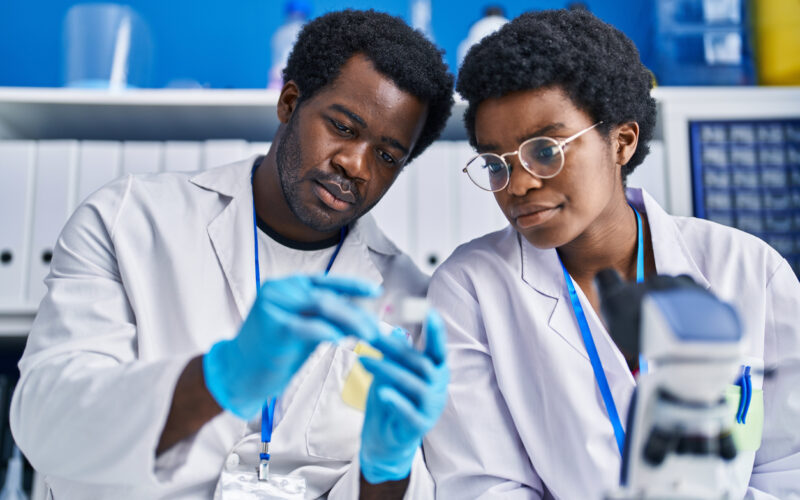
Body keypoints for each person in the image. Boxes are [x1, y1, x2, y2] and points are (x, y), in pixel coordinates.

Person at [10, 9, 453, 499]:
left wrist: (386, 468)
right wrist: (220, 379)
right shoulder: (129, 221)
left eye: (388, 156)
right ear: (289, 102)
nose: (356, 164)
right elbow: (46, 425)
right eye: (343, 127)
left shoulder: (407, 299)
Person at [423, 9, 800, 499]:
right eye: (496, 162)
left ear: (621, 142)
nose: (518, 184)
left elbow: (788, 470)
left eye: (545, 150)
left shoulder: (748, 269)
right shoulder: (469, 290)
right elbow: (485, 485)